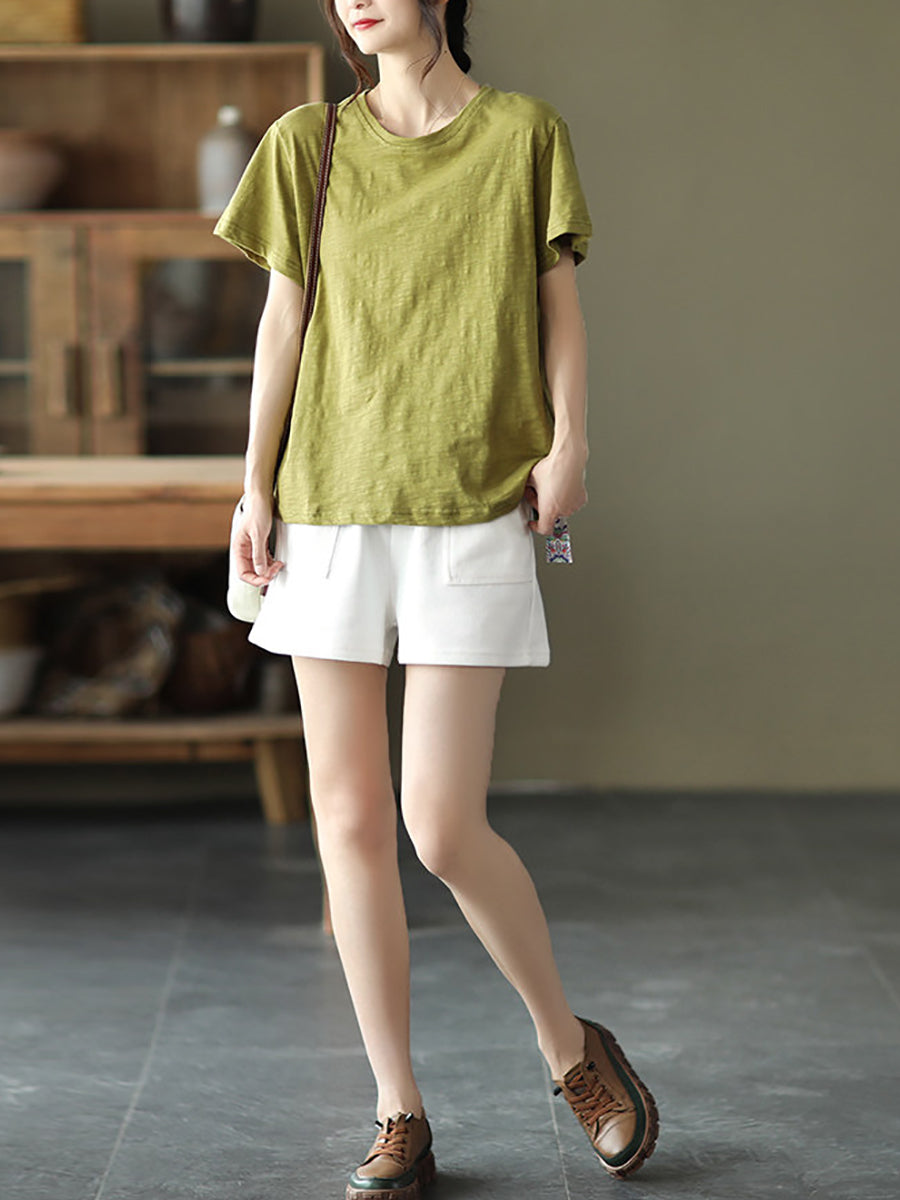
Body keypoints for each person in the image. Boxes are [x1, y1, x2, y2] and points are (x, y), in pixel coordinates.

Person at [213, 1, 659, 1195]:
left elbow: (558, 306)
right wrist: (253, 484)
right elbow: (282, 323)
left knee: (441, 826)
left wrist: (572, 443)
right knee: (350, 822)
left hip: (472, 502)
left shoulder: (523, 134)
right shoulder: (305, 144)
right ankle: (396, 1108)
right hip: (327, 510)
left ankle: (569, 1047)